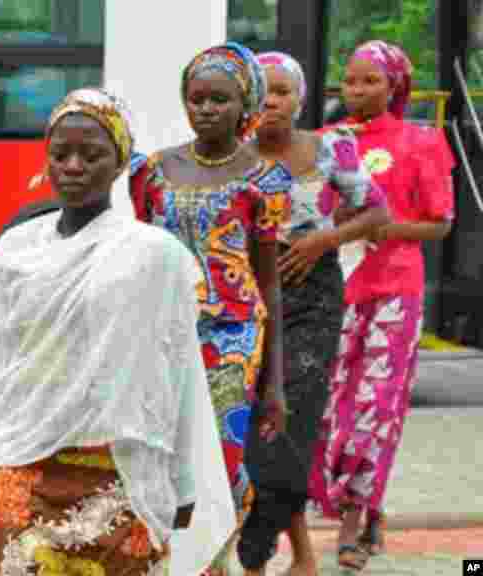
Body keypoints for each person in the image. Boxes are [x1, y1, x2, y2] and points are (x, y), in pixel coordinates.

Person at [0, 86, 226, 576]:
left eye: (92, 155)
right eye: (60, 154)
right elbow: (0, 362)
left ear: (121, 162)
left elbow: (179, 370)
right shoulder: (18, 248)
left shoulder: (154, 255)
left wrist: (184, 480)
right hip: (27, 463)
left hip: (119, 469)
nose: (73, 166)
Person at [130, 42, 289, 575]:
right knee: (165, 450)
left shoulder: (264, 179)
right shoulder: (153, 172)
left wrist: (274, 384)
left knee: (221, 457)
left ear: (245, 105)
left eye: (219, 99)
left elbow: (269, 282)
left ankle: (215, 563)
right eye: (196, 99)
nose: (206, 109)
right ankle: (169, 560)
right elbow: (141, 256)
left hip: (233, 336)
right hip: (165, 330)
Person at [238, 52, 389, 576]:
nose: (271, 101)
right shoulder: (229, 157)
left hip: (312, 299)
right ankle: (293, 555)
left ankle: (258, 558)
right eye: (261, 91)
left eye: (281, 91)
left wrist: (325, 240)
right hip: (245, 301)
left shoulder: (330, 149)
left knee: (291, 430)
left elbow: (377, 210)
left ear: (300, 98)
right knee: (255, 435)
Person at [309, 40, 455, 572]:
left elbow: (440, 223)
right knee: (331, 407)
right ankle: (367, 509)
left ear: (394, 86)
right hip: (334, 291)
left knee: (374, 407)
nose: (357, 90)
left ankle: (351, 523)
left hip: (395, 293)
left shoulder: (422, 141)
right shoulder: (323, 141)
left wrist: (380, 228)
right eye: (350, 80)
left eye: (370, 80)